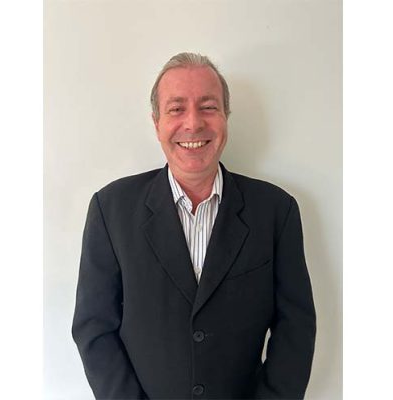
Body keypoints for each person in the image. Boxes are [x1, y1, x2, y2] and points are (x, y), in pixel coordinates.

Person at [72, 52, 316, 399]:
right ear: (157, 123)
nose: (193, 123)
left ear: (225, 117)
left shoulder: (276, 210)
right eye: (176, 109)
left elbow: (296, 329)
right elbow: (94, 328)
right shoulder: (110, 209)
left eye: (208, 107)